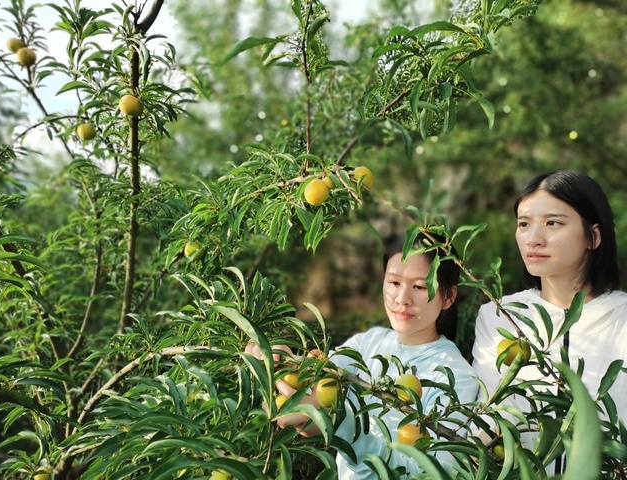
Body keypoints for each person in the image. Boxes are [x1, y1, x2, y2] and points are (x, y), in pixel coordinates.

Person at [247, 230, 479, 479]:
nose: (402, 299)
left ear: (448, 296)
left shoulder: (456, 376)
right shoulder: (369, 342)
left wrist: (342, 426)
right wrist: (280, 363)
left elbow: (430, 472)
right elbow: (316, 383)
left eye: (420, 286)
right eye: (394, 283)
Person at [471, 170, 627, 473]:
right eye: (524, 224)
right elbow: (489, 417)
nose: (533, 239)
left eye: (553, 223)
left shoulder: (622, 319)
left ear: (593, 236)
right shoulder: (500, 316)